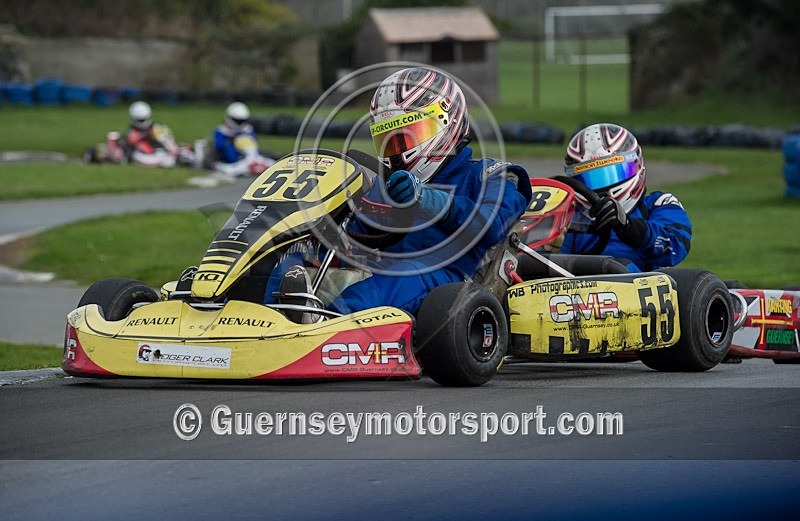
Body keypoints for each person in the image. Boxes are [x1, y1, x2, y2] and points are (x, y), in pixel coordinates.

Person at [274, 67, 532, 321]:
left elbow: (492, 224)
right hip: (384, 270)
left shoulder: (492, 175)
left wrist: (426, 199)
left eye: (408, 136)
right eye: (389, 139)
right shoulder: (389, 185)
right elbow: (358, 235)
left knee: (399, 277)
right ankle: (261, 318)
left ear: (446, 123)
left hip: (449, 279)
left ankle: (324, 326)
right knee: (293, 260)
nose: (398, 151)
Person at [559, 123, 692, 271]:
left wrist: (627, 226)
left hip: (640, 286)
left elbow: (674, 248)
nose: (604, 187)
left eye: (614, 174)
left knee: (619, 266)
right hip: (578, 287)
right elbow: (553, 262)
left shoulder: (658, 204)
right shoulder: (572, 216)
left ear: (637, 165)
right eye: (592, 179)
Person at [212, 101, 275, 177]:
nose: (240, 123)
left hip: (251, 156)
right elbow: (219, 146)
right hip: (233, 159)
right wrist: (232, 140)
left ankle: (253, 162)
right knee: (229, 169)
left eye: (242, 121)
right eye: (238, 121)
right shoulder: (222, 131)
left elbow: (254, 142)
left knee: (273, 163)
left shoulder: (248, 129)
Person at [121, 101, 180, 167]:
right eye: (140, 120)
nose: (142, 123)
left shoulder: (156, 128)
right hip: (147, 155)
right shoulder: (132, 132)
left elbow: (169, 143)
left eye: (143, 120)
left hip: (161, 151)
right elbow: (132, 147)